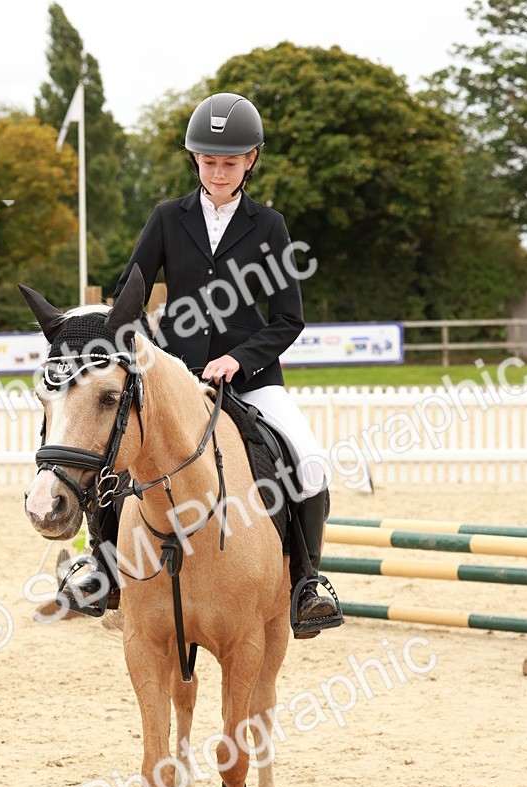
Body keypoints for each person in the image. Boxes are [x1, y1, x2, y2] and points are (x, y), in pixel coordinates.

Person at [62, 91, 343, 639]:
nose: (217, 172)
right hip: (175, 380)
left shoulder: (269, 225)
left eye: (229, 163)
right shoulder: (168, 218)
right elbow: (128, 298)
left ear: (251, 160)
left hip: (251, 380)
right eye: (209, 161)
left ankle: (307, 583)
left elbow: (288, 319)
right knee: (116, 457)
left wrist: (238, 358)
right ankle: (101, 567)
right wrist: (150, 358)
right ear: (195, 159)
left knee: (309, 463)